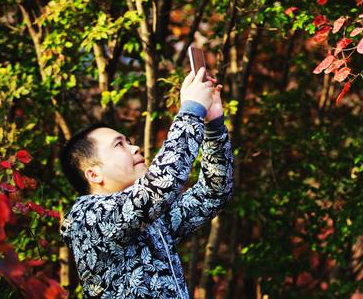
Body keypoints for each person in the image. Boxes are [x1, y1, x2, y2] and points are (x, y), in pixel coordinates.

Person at [60, 67, 233, 299]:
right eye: (119, 145)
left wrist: (213, 126)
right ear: (94, 175)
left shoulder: (150, 221)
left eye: (128, 141)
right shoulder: (87, 217)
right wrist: (191, 110)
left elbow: (212, 194)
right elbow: (158, 188)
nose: (134, 148)